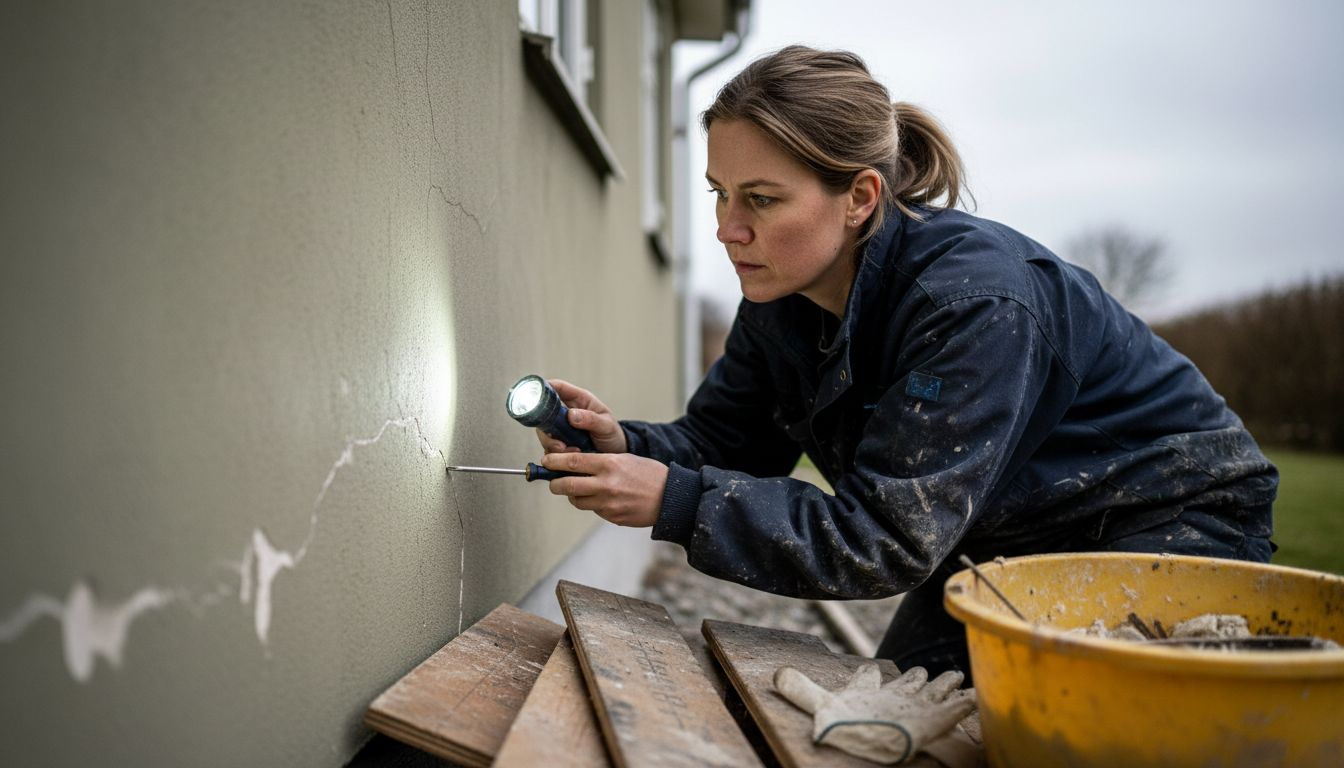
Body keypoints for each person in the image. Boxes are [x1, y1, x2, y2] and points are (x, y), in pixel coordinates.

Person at [535, 45, 1278, 681]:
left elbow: (884, 539)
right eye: (721, 194)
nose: (729, 229)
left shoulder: (972, 305)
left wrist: (677, 499)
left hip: (1165, 522)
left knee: (1062, 736)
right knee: (898, 721)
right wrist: (624, 448)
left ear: (859, 197)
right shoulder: (780, 298)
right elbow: (726, 445)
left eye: (760, 199)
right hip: (999, 538)